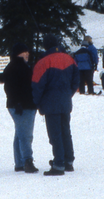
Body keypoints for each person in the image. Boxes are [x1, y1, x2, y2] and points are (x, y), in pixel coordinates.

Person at [31, 40, 79, 176]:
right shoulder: (69, 58)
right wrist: (68, 94)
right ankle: (68, 161)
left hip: (50, 103)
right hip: (65, 101)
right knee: (65, 131)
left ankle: (58, 164)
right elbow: (76, 80)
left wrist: (37, 102)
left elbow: (37, 85)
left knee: (55, 134)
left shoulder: (44, 62)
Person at [1, 42, 38, 173]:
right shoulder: (17, 67)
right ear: (18, 53)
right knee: (26, 135)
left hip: (20, 105)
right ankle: (27, 161)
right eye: (24, 51)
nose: (27, 53)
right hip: (23, 106)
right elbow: (10, 88)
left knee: (20, 134)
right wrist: (17, 103)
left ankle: (19, 162)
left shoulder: (18, 66)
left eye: (27, 51)